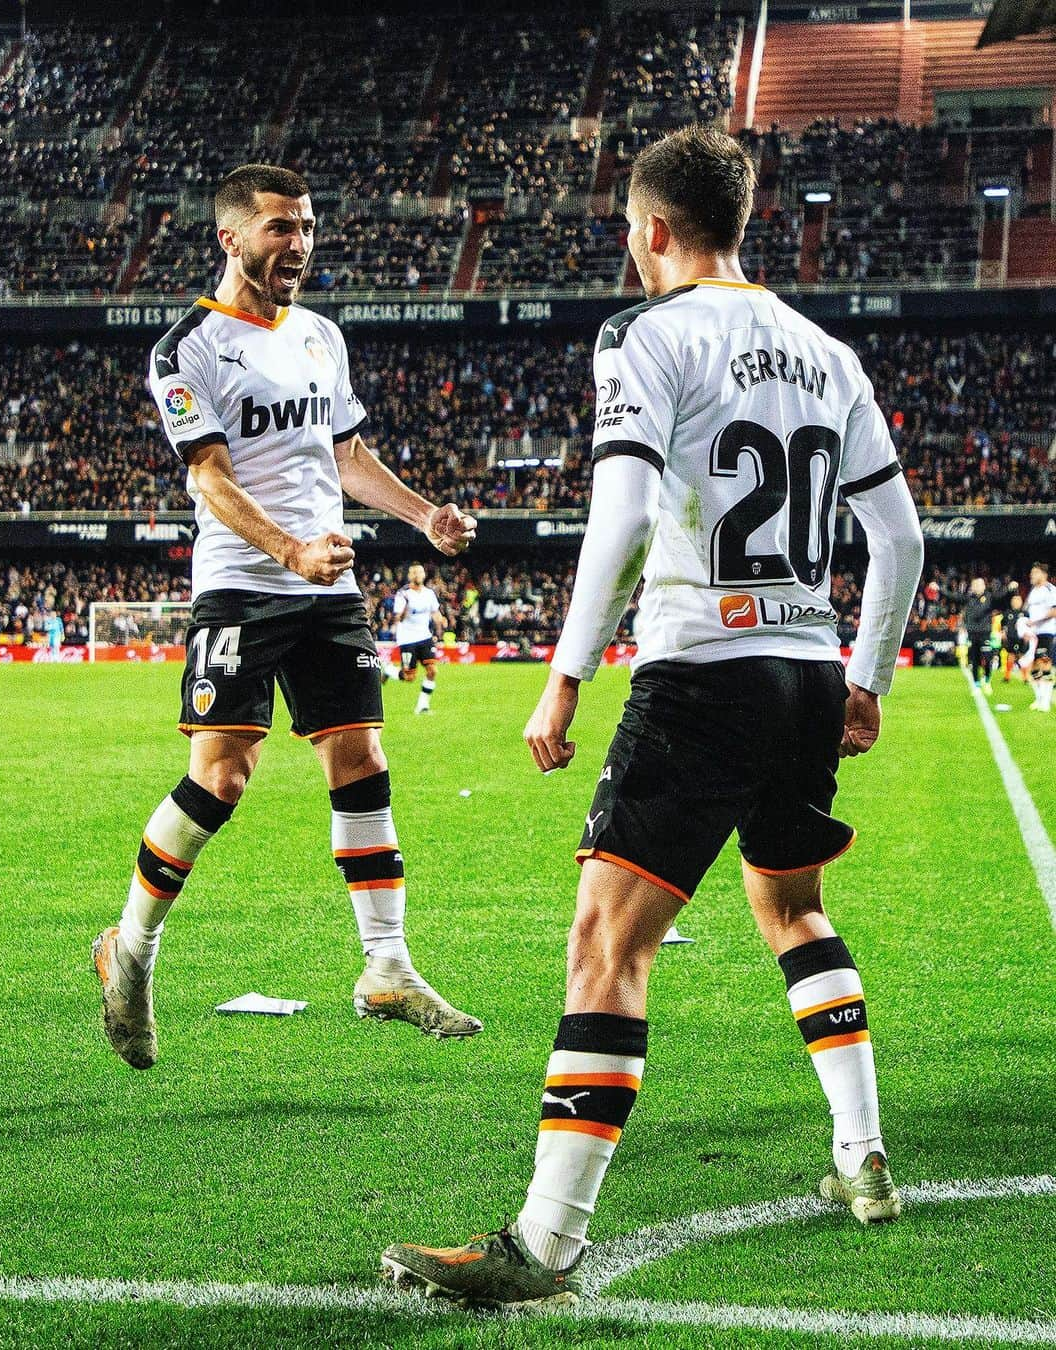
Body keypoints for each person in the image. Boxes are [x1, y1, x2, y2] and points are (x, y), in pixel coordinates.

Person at [382, 125, 924, 1308]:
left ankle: (546, 1241)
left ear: (657, 231)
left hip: (704, 669)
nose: (630, 251)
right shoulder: (827, 349)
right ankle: (862, 1153)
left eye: (632, 231)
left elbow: (623, 517)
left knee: (607, 944)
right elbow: (901, 539)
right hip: (806, 669)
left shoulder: (646, 333)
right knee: (791, 907)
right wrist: (866, 678)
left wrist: (567, 672)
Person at [92, 164, 482, 1072]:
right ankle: (132, 950)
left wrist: (422, 515)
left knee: (361, 756)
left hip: (326, 589)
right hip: (242, 583)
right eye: (279, 229)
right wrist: (290, 551)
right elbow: (210, 480)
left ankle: (386, 965)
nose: (298, 244)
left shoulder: (319, 336)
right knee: (223, 780)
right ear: (231, 239)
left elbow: (345, 455)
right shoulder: (186, 348)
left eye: (305, 226)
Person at [381, 562, 445, 713]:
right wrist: (405, 608)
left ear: (424, 575)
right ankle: (389, 670)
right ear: (410, 576)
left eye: (420, 572)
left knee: (432, 671)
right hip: (408, 639)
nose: (418, 575)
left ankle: (422, 705)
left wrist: (440, 621)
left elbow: (435, 612)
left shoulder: (429, 593)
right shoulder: (403, 594)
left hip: (424, 637)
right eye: (415, 573)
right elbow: (399, 618)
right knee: (409, 677)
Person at [954, 576, 1018, 695]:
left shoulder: (989, 597)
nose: (977, 587)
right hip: (972, 633)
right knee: (974, 660)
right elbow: (954, 596)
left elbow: (1001, 595)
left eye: (980, 584)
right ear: (972, 587)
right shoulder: (969, 598)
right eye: (975, 585)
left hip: (985, 633)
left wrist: (1010, 588)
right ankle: (976, 685)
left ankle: (987, 680)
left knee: (988, 657)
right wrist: (940, 588)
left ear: (984, 586)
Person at [1024, 562, 1056, 712]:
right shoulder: (1033, 591)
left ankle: (1046, 702)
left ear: (1043, 574)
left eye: (1035, 573)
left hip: (1046, 632)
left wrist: (1035, 621)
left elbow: (1054, 612)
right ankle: (1039, 699)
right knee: (1034, 669)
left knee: (1045, 666)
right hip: (1035, 634)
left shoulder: (1050, 589)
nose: (1032, 575)